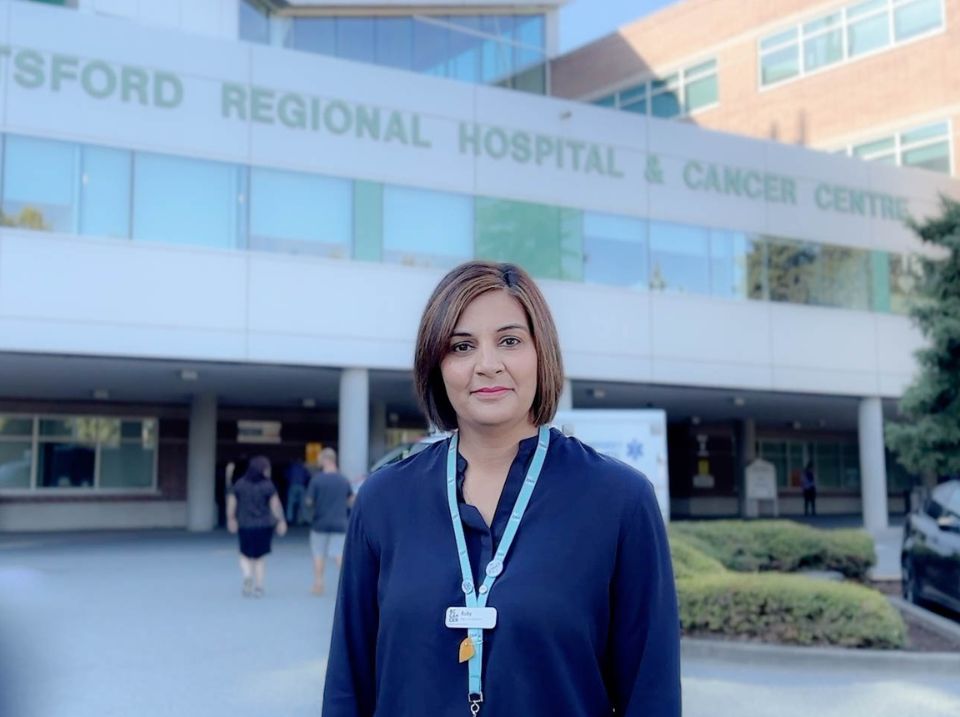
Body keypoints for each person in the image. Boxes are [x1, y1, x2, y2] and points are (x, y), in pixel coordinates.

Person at [323, 261, 680, 716]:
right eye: (461, 346)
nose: (487, 365)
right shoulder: (383, 500)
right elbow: (346, 688)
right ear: (437, 365)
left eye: (509, 341)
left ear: (541, 352)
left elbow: (652, 695)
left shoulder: (620, 500)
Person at [226, 455, 287, 598]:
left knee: (244, 554)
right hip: (264, 525)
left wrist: (231, 519)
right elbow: (275, 506)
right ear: (263, 470)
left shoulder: (240, 484)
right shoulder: (268, 485)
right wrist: (281, 521)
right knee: (259, 558)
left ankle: (247, 575)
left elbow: (232, 504)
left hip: (245, 524)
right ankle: (259, 587)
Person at [305, 448, 354, 595]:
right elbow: (351, 501)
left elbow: (309, 501)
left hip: (320, 523)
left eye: (320, 459)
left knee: (319, 554)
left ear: (326, 460)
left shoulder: (316, 479)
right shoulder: (343, 479)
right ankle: (346, 587)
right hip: (340, 523)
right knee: (339, 555)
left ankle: (319, 584)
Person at [285, 458, 312, 525]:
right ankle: (306, 519)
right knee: (303, 504)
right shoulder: (303, 468)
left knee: (290, 504)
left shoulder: (291, 468)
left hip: (293, 486)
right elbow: (308, 476)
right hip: (301, 486)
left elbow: (286, 476)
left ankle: (289, 519)